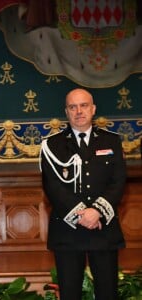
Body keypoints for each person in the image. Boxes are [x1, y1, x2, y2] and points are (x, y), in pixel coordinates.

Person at [41, 88, 126, 300]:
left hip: (103, 229)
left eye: (84, 105)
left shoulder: (112, 141)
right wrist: (82, 214)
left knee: (108, 293)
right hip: (68, 231)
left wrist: (96, 212)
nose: (79, 111)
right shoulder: (52, 145)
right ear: (66, 112)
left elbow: (118, 182)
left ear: (93, 109)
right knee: (69, 294)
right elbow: (52, 186)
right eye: (73, 107)